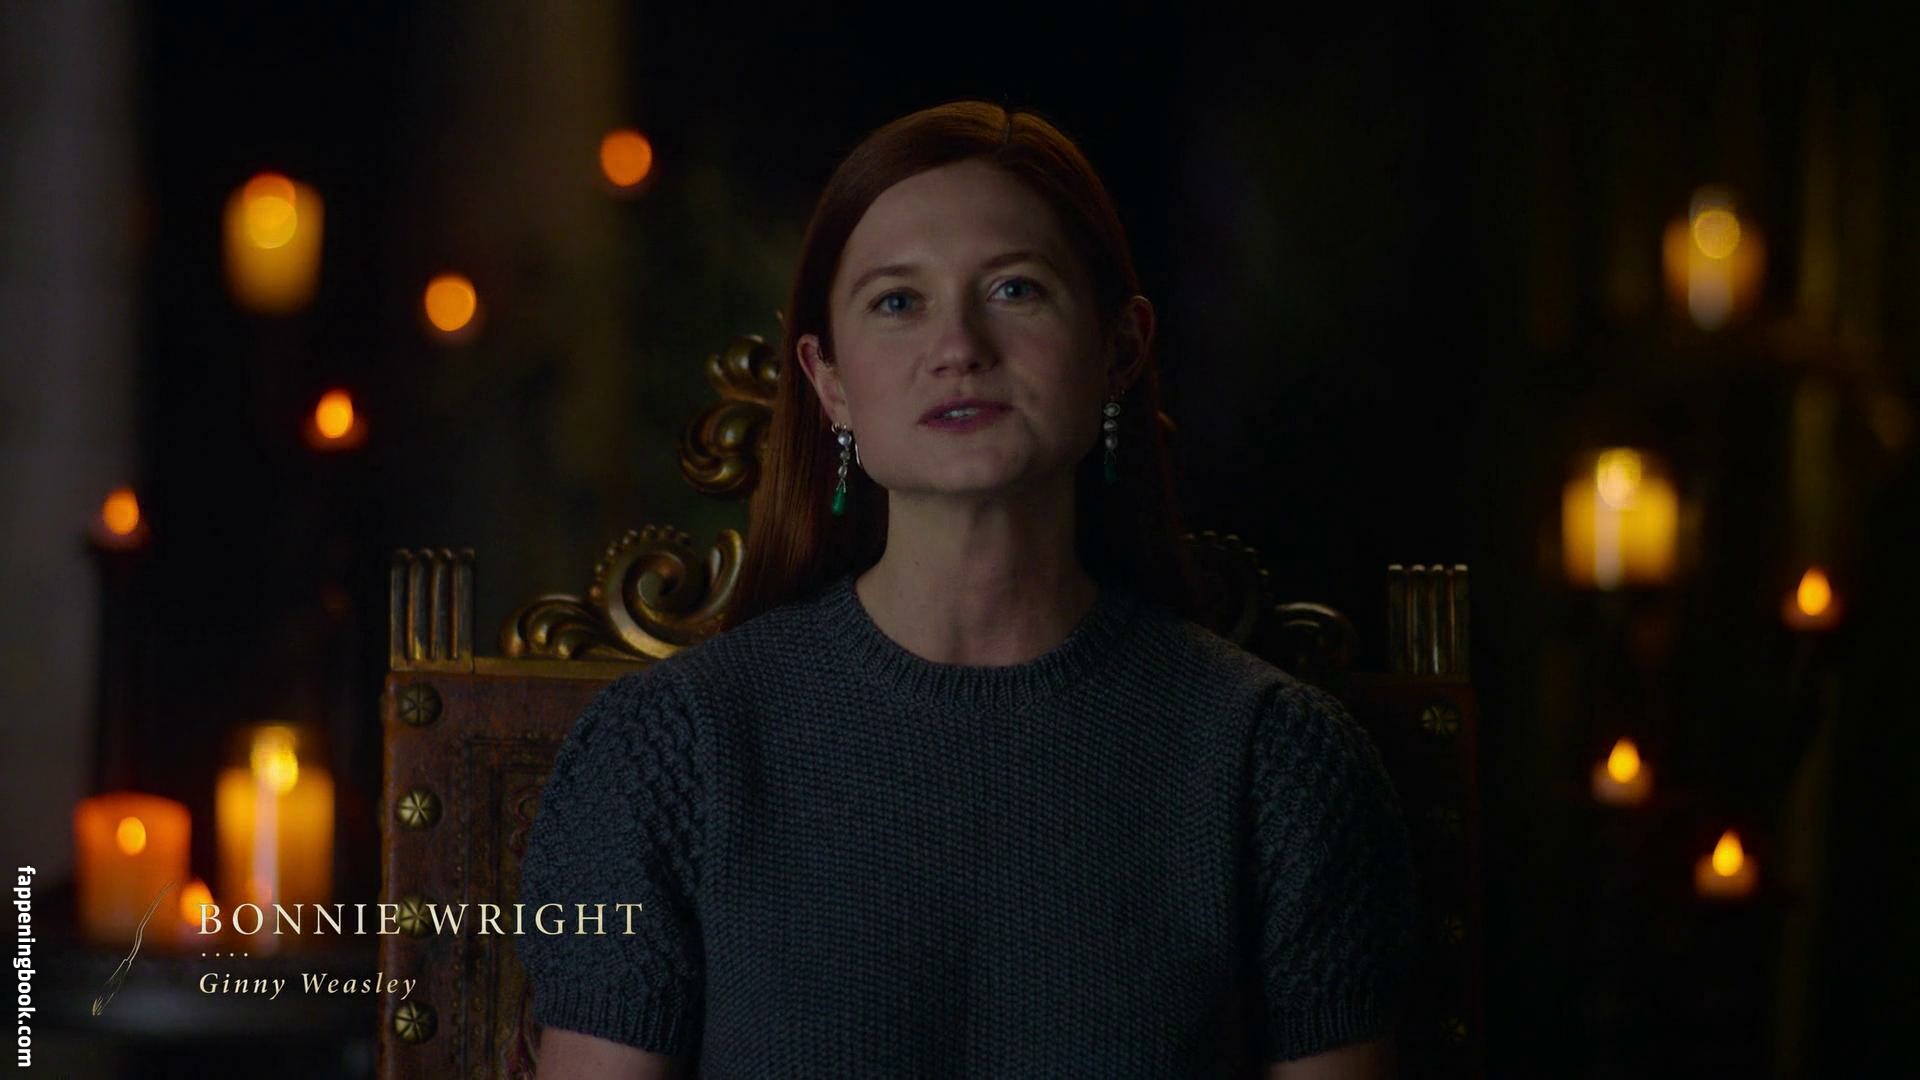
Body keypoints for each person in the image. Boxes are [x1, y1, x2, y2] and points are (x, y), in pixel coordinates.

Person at [515, 100, 1419, 1078]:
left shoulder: (1274, 764)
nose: (958, 346)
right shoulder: (669, 752)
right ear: (828, 380)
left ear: (1120, 349)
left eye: (1016, 289)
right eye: (897, 302)